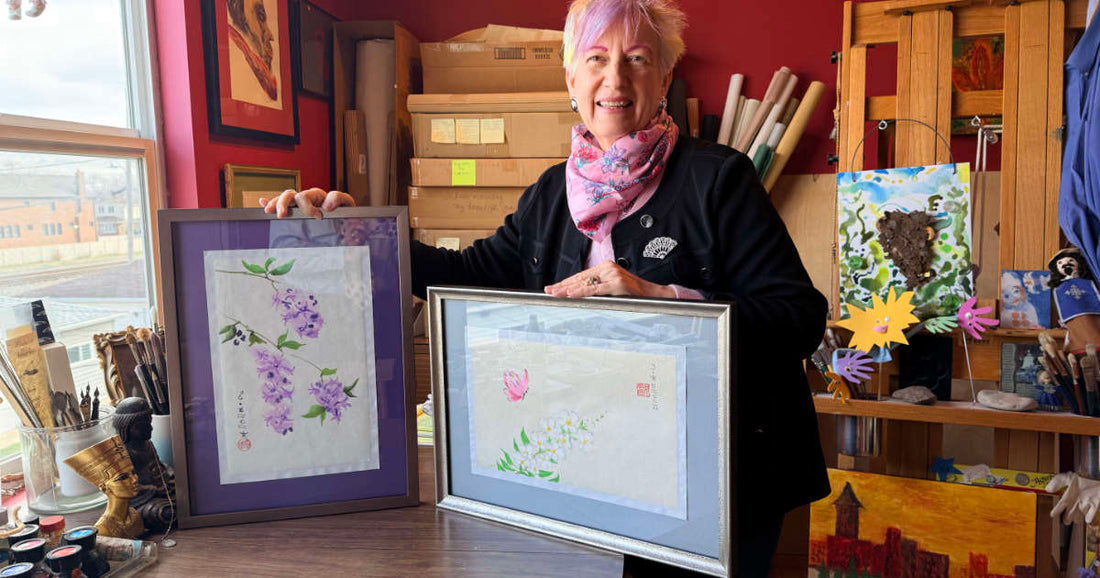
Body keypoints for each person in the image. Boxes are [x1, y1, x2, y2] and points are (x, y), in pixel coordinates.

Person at [262, 0, 828, 573]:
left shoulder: (720, 180)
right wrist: (361, 233)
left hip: (721, 481)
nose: (616, 79)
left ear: (664, 78)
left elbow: (799, 317)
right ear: (571, 78)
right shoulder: (549, 195)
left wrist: (666, 302)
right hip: (591, 467)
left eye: (637, 59)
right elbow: (473, 272)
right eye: (597, 58)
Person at [63, 436, 146, 538]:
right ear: (104, 487)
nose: (134, 480)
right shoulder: (103, 529)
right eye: (123, 477)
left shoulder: (134, 516)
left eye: (133, 473)